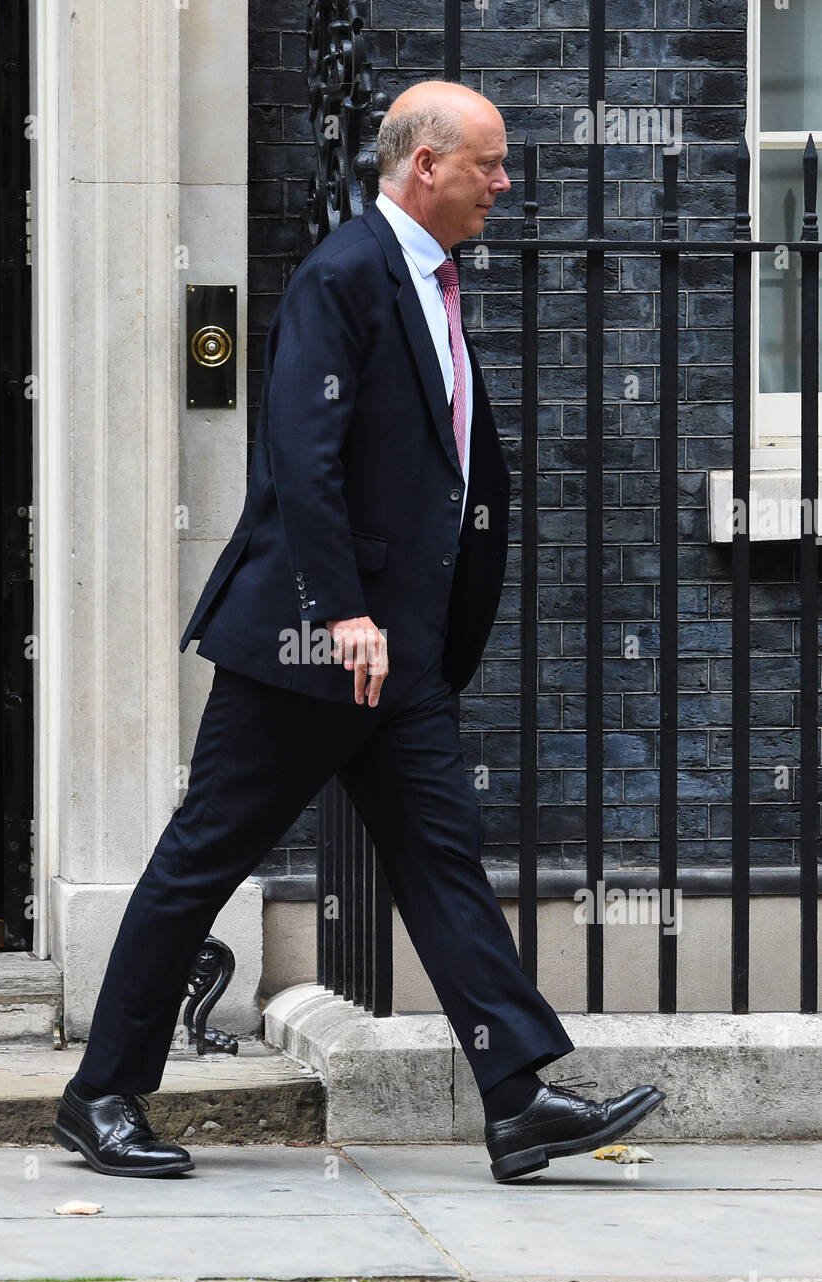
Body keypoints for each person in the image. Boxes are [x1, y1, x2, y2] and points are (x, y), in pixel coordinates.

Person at [52, 80, 664, 1184]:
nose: (505, 181)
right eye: (489, 161)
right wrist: (341, 613)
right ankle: (100, 1092)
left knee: (442, 862)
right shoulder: (344, 277)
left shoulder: (432, 279)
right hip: (314, 646)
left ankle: (518, 1097)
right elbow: (303, 460)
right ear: (424, 165)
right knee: (204, 859)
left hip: (400, 655)